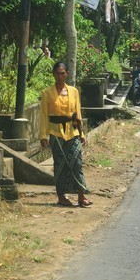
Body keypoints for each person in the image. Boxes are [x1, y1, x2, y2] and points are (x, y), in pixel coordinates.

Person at [39, 62, 93, 207]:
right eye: (57, 73)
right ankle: (61, 196)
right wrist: (43, 136)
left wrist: (82, 134)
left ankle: (81, 196)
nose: (60, 76)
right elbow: (44, 115)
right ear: (53, 74)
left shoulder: (74, 91)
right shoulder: (47, 93)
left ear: (67, 74)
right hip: (56, 133)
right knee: (60, 165)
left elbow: (78, 113)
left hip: (72, 131)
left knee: (76, 163)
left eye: (63, 73)